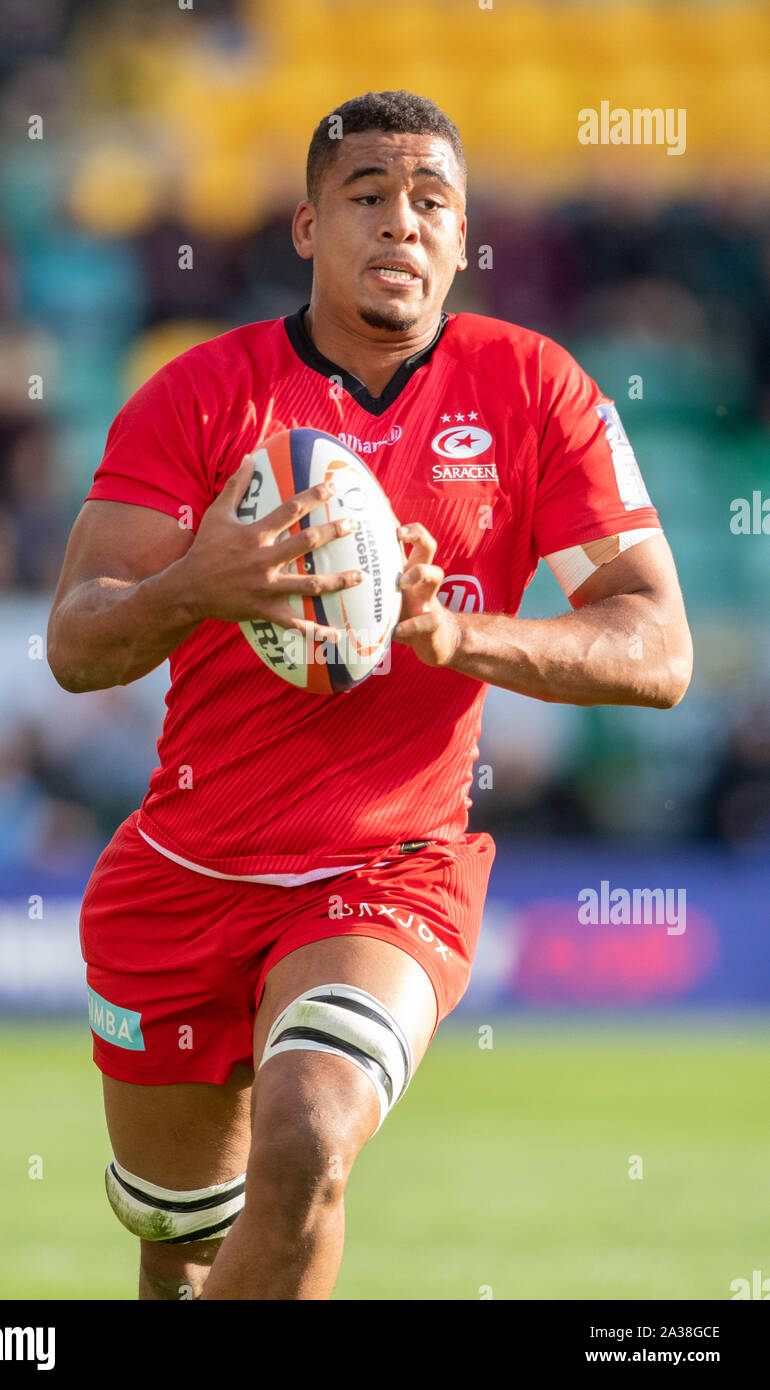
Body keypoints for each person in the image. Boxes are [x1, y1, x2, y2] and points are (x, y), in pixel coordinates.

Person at [47, 90, 692, 1301]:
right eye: (368, 197)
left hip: (385, 871)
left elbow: (655, 648)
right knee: (180, 1257)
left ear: (460, 241)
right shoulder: (198, 395)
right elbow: (78, 643)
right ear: (305, 227)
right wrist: (204, 582)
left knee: (308, 1136)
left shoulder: (534, 388)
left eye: (430, 203)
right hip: (183, 875)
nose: (401, 223)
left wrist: (455, 633)